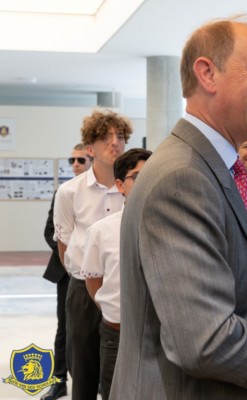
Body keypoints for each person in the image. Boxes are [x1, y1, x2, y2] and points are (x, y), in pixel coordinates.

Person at [110, 16, 247, 399]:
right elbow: (204, 341)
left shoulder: (212, 168)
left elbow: (233, 290)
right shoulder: (183, 178)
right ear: (207, 73)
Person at [53, 109, 132, 400]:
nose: (115, 143)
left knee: (120, 370)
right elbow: (64, 245)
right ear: (90, 148)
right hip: (83, 292)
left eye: (120, 136)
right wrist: (86, 278)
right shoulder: (70, 192)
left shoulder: (133, 190)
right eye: (105, 137)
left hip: (122, 291)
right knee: (83, 370)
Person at [80, 148, 151, 400]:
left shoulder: (171, 226)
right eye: (137, 177)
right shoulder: (101, 231)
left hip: (159, 336)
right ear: (120, 185)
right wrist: (111, 308)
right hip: (117, 335)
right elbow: (93, 280)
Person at [40, 143, 93, 400]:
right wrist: (73, 254)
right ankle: (59, 381)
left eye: (80, 160)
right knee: (65, 328)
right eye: (72, 159)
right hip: (67, 272)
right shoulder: (64, 192)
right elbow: (50, 231)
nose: (75, 164)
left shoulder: (106, 193)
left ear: (91, 160)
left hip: (100, 273)